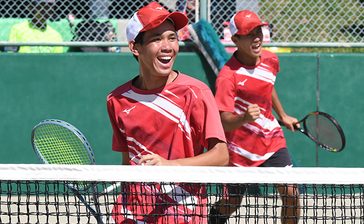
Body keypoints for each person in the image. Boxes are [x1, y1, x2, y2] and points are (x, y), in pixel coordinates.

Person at [106, 2, 229, 223]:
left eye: (172, 37)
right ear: (136, 48)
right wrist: (122, 209)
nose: (167, 46)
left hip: (185, 214)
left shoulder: (196, 93)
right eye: (156, 39)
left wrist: (171, 165)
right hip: (134, 215)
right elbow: (128, 160)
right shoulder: (117, 100)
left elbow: (221, 155)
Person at [210, 10, 301, 224]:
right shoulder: (227, 77)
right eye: (249, 34)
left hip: (271, 139)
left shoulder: (270, 60)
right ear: (235, 40)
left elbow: (267, 87)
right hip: (239, 150)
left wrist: (283, 115)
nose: (257, 37)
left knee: (291, 193)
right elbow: (222, 119)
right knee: (231, 202)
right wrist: (243, 119)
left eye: (258, 30)